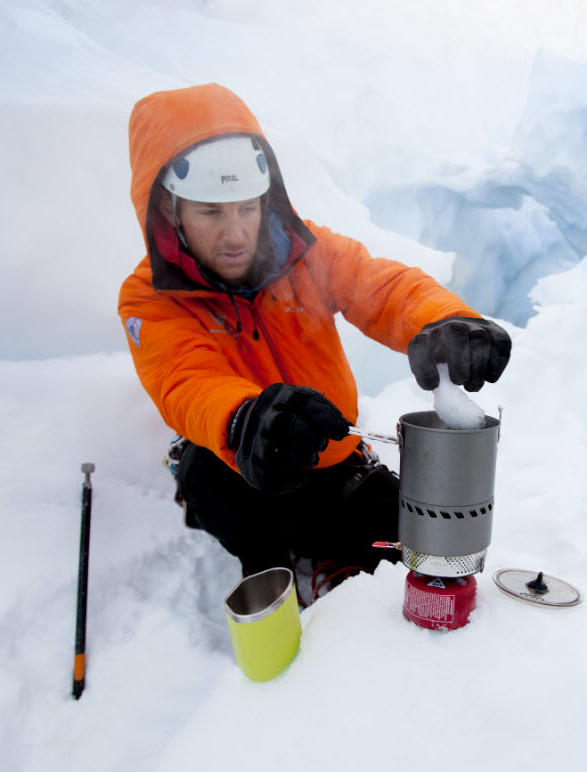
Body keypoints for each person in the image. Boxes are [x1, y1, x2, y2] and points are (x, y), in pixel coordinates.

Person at [118, 83, 511, 602]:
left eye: (246, 208)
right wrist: (242, 419)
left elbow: (382, 288)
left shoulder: (305, 253)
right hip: (240, 461)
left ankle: (333, 554)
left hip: (330, 458)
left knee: (408, 536)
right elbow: (184, 380)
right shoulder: (150, 298)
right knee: (211, 480)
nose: (235, 235)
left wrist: (445, 321)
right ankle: (273, 568)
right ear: (172, 212)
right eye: (212, 213)